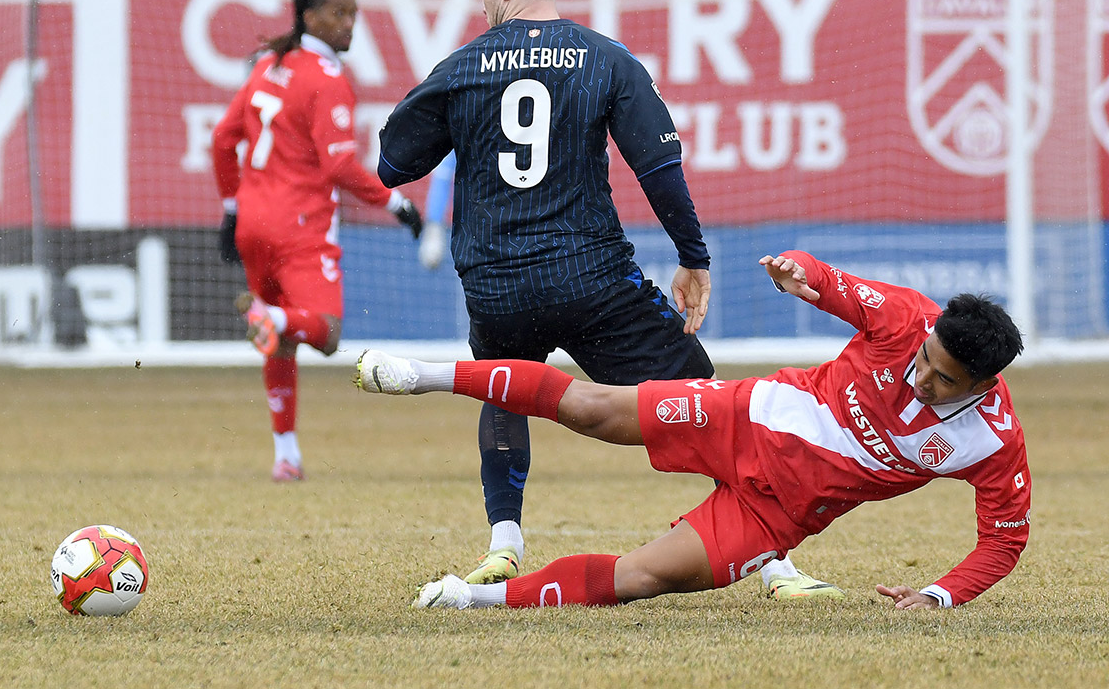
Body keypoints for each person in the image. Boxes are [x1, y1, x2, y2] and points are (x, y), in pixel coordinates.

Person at [376, 0, 831, 600]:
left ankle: (504, 543)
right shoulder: (605, 58)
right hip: (589, 278)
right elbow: (659, 163)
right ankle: (772, 561)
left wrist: (462, 128)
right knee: (702, 394)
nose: (478, 4)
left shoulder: (462, 66)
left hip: (496, 282)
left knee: (504, 388)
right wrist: (693, 257)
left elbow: (392, 163)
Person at [354, 249, 1030, 611]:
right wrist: (800, 273)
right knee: (592, 408)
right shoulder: (909, 317)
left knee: (641, 577)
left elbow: (1005, 539)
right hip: (748, 415)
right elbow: (834, 283)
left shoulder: (994, 442)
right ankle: (421, 373)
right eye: (922, 359)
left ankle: (468, 597)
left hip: (775, 515)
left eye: (942, 378)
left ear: (981, 383)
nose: (920, 377)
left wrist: (940, 594)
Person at [213, 0, 423, 482]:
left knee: (277, 342)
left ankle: (287, 455)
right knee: (324, 333)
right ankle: (274, 318)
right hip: (300, 225)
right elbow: (338, 168)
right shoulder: (328, 78)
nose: (349, 23)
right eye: (338, 14)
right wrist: (395, 203)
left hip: (254, 223)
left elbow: (223, 140)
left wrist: (230, 209)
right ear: (310, 18)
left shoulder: (269, 65)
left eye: (353, 13)